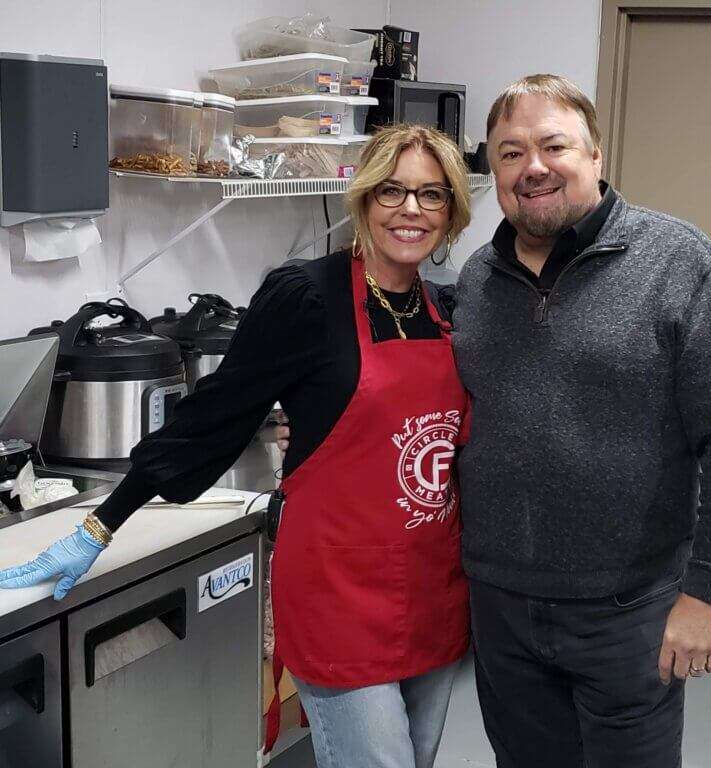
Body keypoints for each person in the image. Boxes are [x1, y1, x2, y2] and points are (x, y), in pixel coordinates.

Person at [0, 124, 474, 768]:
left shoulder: (453, 310)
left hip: (431, 589)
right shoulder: (308, 298)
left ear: (452, 211)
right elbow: (216, 414)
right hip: (339, 590)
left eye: (432, 195)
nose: (411, 210)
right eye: (392, 190)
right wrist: (99, 525)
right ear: (363, 200)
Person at [450, 74, 711, 768]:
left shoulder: (678, 261)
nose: (532, 167)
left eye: (553, 145)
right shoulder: (477, 281)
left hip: (630, 611)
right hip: (501, 606)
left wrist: (708, 593)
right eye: (509, 153)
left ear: (596, 155)